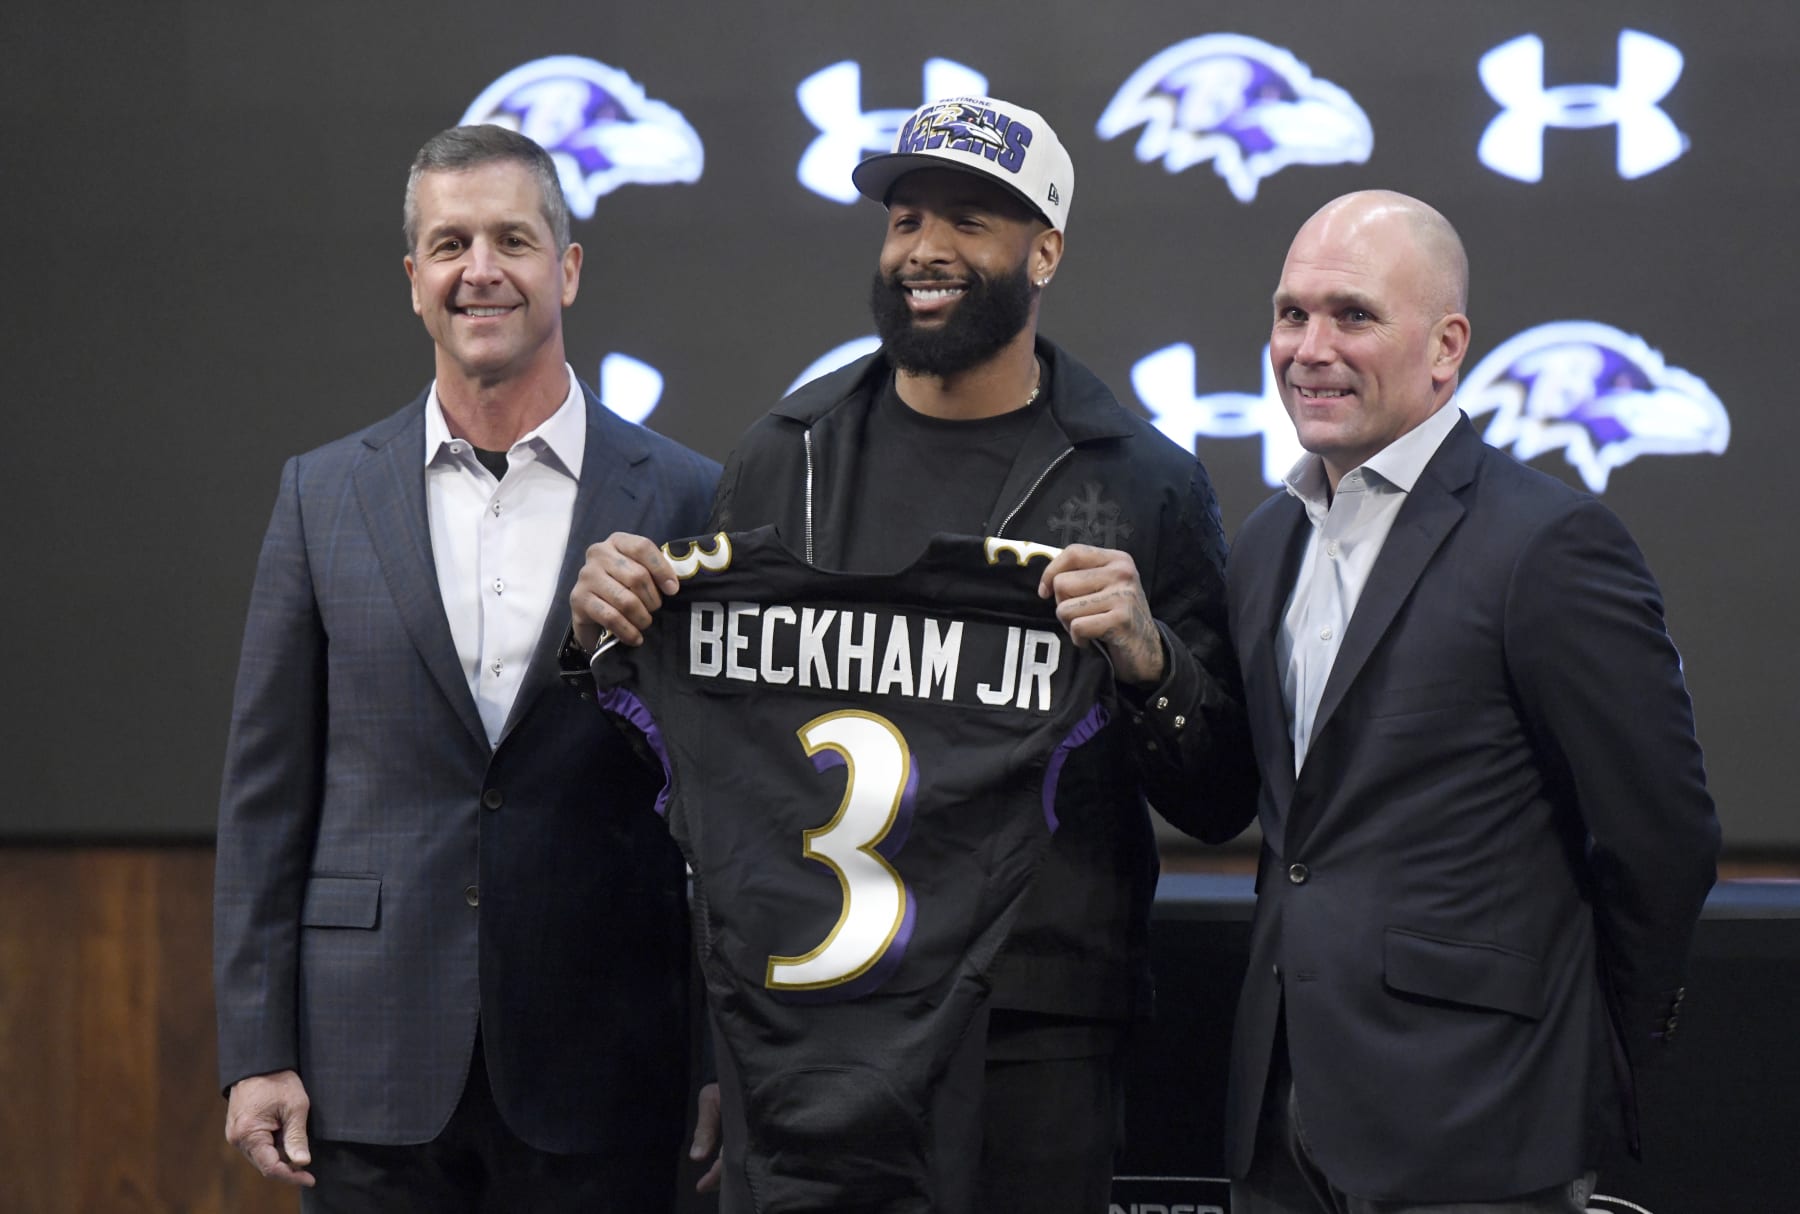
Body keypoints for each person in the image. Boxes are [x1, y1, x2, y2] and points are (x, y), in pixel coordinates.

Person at [568, 96, 1256, 1211]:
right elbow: (711, 780)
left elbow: (1222, 793)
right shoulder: (782, 457)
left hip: (1038, 1020)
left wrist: (1151, 662)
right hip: (805, 1021)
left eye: (971, 220)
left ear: (1046, 250)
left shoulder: (1145, 479)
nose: (926, 249)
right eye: (905, 219)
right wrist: (603, 630)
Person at [213, 124, 719, 1212]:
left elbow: (731, 810)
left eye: (512, 239)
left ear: (568, 268)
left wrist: (723, 1056)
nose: (478, 270)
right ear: (412, 280)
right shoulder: (321, 495)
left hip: (610, 1062)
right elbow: (265, 796)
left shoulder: (686, 497)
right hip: (368, 1066)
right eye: (449, 243)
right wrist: (256, 1047)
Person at [1222, 190, 1720, 1212]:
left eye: (1352, 315)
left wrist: (1593, 1052)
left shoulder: (1548, 544)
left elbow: (1660, 836)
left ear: (1447, 347)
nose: (1309, 348)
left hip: (1478, 1127)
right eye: (1290, 313)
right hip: (1280, 1127)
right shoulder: (1267, 542)